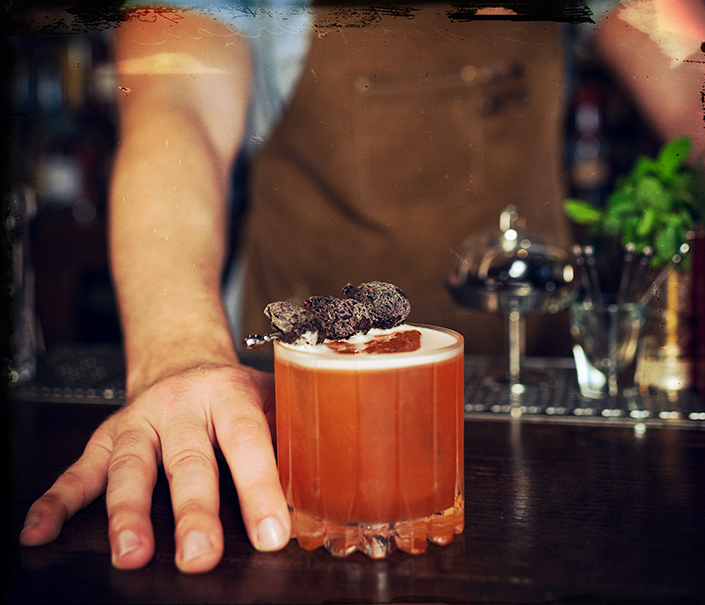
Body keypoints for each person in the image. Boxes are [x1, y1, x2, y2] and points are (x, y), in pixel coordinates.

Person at [20, 0, 704, 574]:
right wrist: (176, 349)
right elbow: (178, 108)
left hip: (535, 419)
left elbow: (683, 62)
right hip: (297, 429)